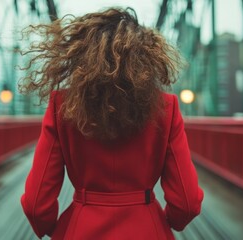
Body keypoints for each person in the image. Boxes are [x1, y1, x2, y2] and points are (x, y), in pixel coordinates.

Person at [20, 7, 204, 239]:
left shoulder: (62, 105)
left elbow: (36, 205)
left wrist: (57, 230)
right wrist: (164, 222)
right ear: (146, 56)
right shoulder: (165, 108)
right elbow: (187, 202)